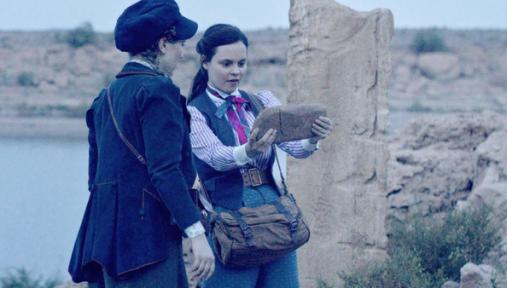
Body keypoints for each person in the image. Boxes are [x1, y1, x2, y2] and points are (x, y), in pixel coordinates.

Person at [68, 1, 214, 287]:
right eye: (180, 44)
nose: (183, 53)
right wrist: (196, 234)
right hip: (148, 244)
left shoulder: (105, 96)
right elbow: (165, 171)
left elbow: (95, 178)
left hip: (104, 242)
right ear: (162, 44)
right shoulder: (158, 91)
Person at [187, 24, 333, 288]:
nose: (236, 71)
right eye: (227, 63)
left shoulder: (261, 102)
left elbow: (296, 149)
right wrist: (249, 150)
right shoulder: (194, 112)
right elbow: (216, 156)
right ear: (205, 62)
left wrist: (313, 137)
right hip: (230, 215)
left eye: (242, 63)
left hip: (276, 211)